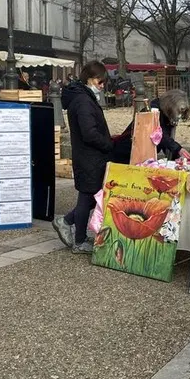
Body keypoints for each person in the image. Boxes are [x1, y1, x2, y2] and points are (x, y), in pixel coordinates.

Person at [53, 61, 113, 254]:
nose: (102, 86)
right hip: (89, 158)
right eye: (99, 81)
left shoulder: (82, 97)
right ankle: (78, 239)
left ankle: (68, 223)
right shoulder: (83, 101)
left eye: (104, 82)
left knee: (90, 198)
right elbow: (89, 133)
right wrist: (107, 144)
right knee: (87, 198)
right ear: (89, 78)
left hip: (89, 157)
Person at [112, 89, 190, 163]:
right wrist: (178, 149)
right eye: (179, 112)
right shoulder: (152, 112)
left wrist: (176, 155)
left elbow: (166, 140)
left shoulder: (166, 115)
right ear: (171, 106)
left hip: (143, 154)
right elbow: (160, 133)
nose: (179, 116)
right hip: (129, 153)